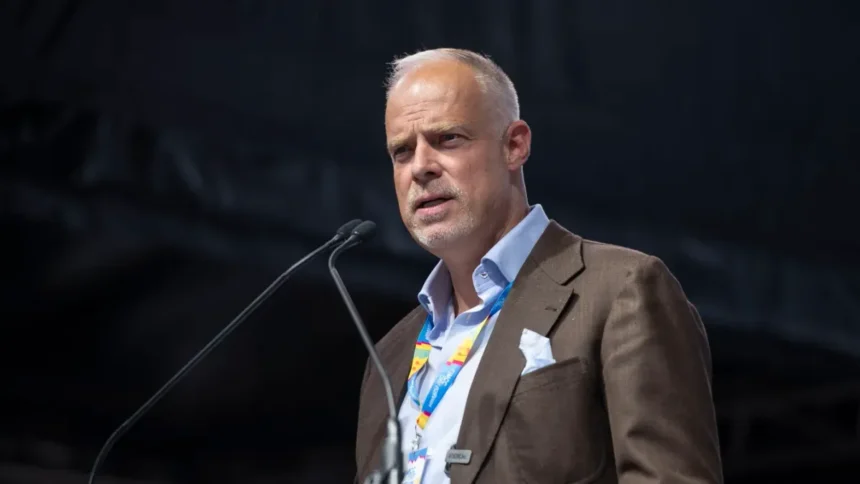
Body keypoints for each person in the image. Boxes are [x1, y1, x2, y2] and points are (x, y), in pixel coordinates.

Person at [354, 48, 723, 484]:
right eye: (401, 151)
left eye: (448, 138)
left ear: (514, 145)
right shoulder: (389, 356)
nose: (420, 167)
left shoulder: (619, 290)